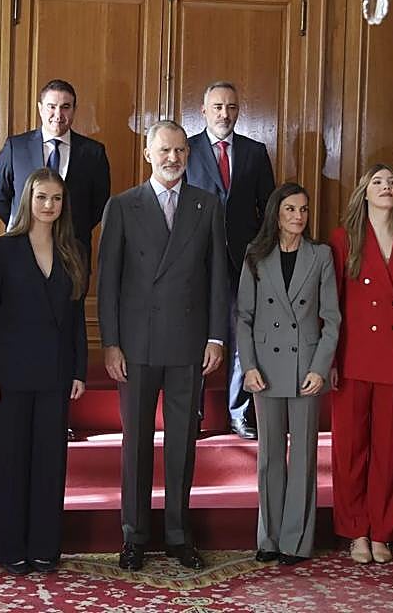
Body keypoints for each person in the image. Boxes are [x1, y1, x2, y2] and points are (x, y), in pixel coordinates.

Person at [98, 120, 229, 571]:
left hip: (188, 343)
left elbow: (217, 277)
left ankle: (178, 535)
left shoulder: (206, 204)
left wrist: (215, 336)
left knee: (182, 444)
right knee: (135, 443)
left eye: (180, 151)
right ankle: (133, 536)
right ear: (148, 154)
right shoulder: (122, 205)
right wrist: (111, 343)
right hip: (135, 345)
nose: (173, 158)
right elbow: (108, 282)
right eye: (165, 151)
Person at [0, 168, 88, 575]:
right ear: (28, 200)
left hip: (55, 373)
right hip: (8, 375)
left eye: (56, 198)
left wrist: (79, 370)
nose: (48, 205)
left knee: (48, 462)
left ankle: (44, 547)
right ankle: (7, 547)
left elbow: (76, 319)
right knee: (8, 461)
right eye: (42, 197)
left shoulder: (73, 250)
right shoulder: (2, 250)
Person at [328, 164, 393, 565]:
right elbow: (331, 306)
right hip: (352, 355)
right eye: (378, 182)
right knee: (350, 449)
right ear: (364, 192)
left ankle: (382, 530)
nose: (386, 187)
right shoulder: (343, 239)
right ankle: (356, 530)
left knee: (389, 451)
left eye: (392, 183)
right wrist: (329, 359)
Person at [236, 183, 340, 565]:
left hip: (306, 369)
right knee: (269, 457)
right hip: (265, 368)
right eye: (291, 209)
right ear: (276, 214)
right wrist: (248, 367)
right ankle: (269, 538)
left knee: (303, 458)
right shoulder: (255, 254)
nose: (299, 216)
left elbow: (331, 319)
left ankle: (296, 542)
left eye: (304, 209)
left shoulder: (320, 255)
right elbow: (244, 317)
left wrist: (320, 368)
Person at [185, 81, 275, 439]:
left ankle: (240, 413)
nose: (225, 114)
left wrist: (261, 255)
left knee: (242, 337)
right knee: (194, 335)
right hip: (197, 260)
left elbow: (269, 209)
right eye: (218, 107)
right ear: (204, 111)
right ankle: (191, 411)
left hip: (243, 261)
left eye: (232, 107)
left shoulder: (255, 152)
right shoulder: (186, 149)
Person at [0, 79, 111, 262]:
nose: (58, 114)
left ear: (74, 110)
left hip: (72, 250)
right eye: (52, 106)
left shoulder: (93, 153)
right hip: (23, 249)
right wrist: (25, 223)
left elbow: (99, 203)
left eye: (65, 107)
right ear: (40, 108)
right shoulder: (16, 147)